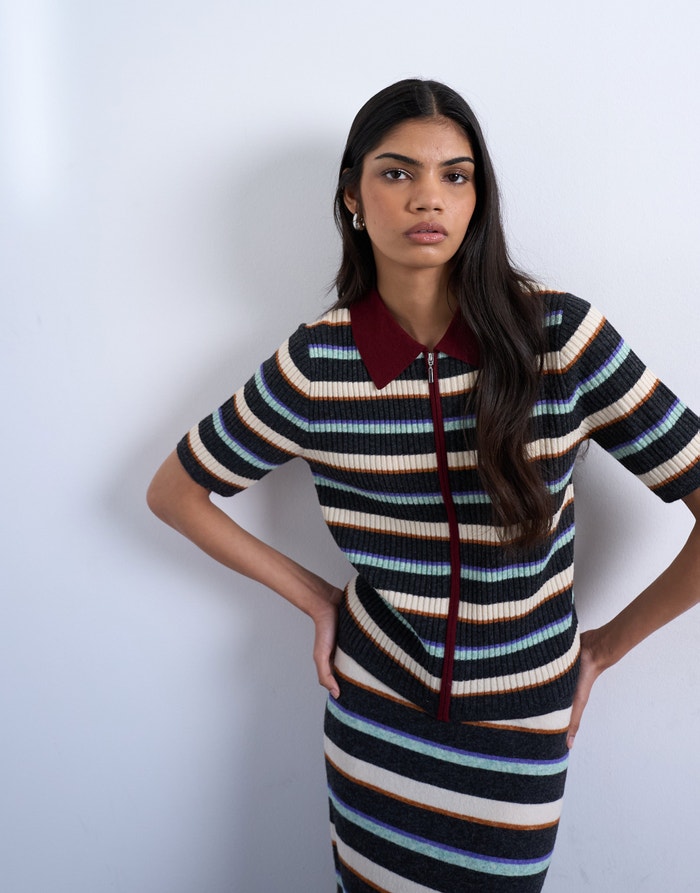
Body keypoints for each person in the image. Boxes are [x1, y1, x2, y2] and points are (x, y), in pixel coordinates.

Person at [147, 79, 700, 892]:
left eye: (456, 174)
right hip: (375, 715)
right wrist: (316, 598)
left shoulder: (561, 337)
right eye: (397, 172)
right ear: (352, 197)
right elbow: (175, 492)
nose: (427, 197)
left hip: (520, 725)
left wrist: (606, 647)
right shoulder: (319, 362)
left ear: (479, 197)